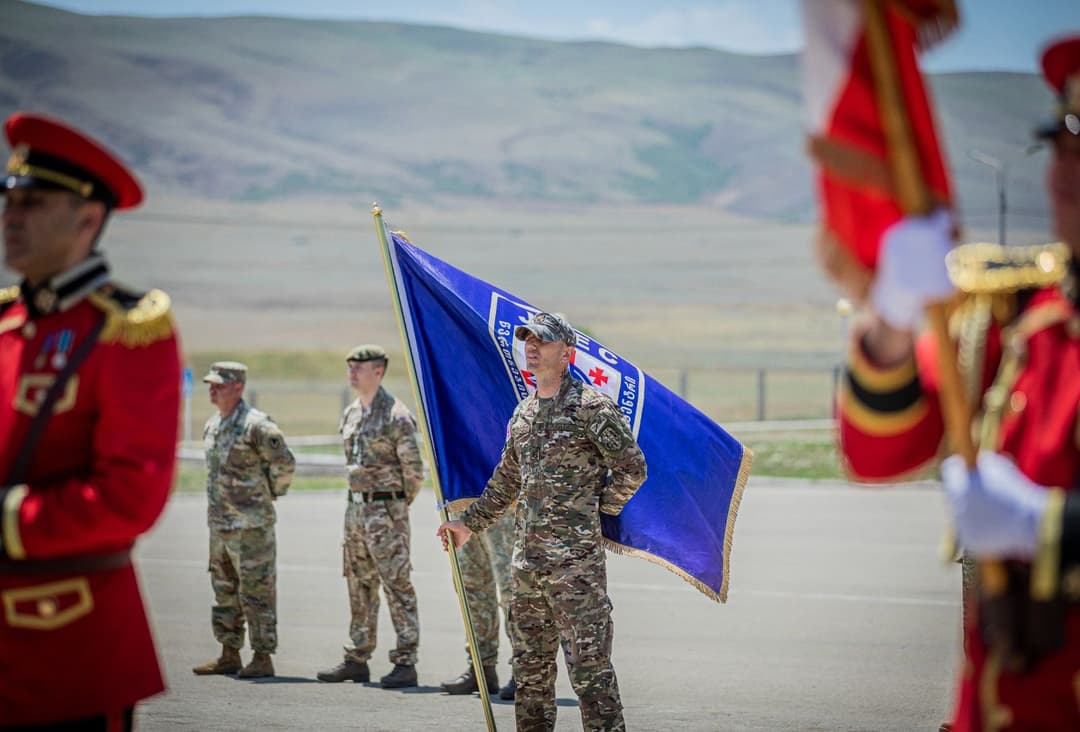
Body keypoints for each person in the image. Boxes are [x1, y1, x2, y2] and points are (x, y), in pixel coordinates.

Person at [838, 35, 1080, 731]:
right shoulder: (1022, 320)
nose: (1064, 170)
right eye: (1058, 144)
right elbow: (878, 450)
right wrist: (889, 317)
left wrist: (1051, 531)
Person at [0, 112, 181, 729]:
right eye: (10, 198)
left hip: (61, 642)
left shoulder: (126, 331)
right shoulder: (5, 324)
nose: (12, 215)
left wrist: (10, 521)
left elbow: (131, 496)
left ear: (86, 219)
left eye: (34, 201)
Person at [437, 311, 647, 731]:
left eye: (543, 340)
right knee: (531, 680)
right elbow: (506, 481)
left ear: (567, 353)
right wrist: (468, 525)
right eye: (528, 339)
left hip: (575, 573)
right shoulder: (524, 413)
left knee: (591, 677)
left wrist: (601, 509)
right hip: (527, 571)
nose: (531, 346)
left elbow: (632, 468)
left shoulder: (591, 409)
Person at [316, 344, 425, 689]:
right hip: (356, 512)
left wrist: (394, 505)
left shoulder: (396, 415)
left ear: (378, 371)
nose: (352, 372)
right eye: (349, 367)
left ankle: (406, 661)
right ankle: (357, 657)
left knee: (396, 584)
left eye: (358, 367)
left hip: (386, 513)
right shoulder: (351, 413)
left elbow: (415, 472)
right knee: (358, 582)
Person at [193, 361, 295, 679]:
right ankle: (229, 652)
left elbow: (285, 464)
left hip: (251, 528)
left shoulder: (257, 426)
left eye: (220, 384)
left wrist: (269, 494)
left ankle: (262, 656)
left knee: (257, 591)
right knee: (224, 590)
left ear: (238, 387)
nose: (213, 389)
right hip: (220, 526)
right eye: (210, 384)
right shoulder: (213, 425)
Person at [439, 511, 517, 698]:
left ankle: (524, 670)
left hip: (501, 505)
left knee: (512, 588)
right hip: (459, 506)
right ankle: (481, 667)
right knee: (472, 588)